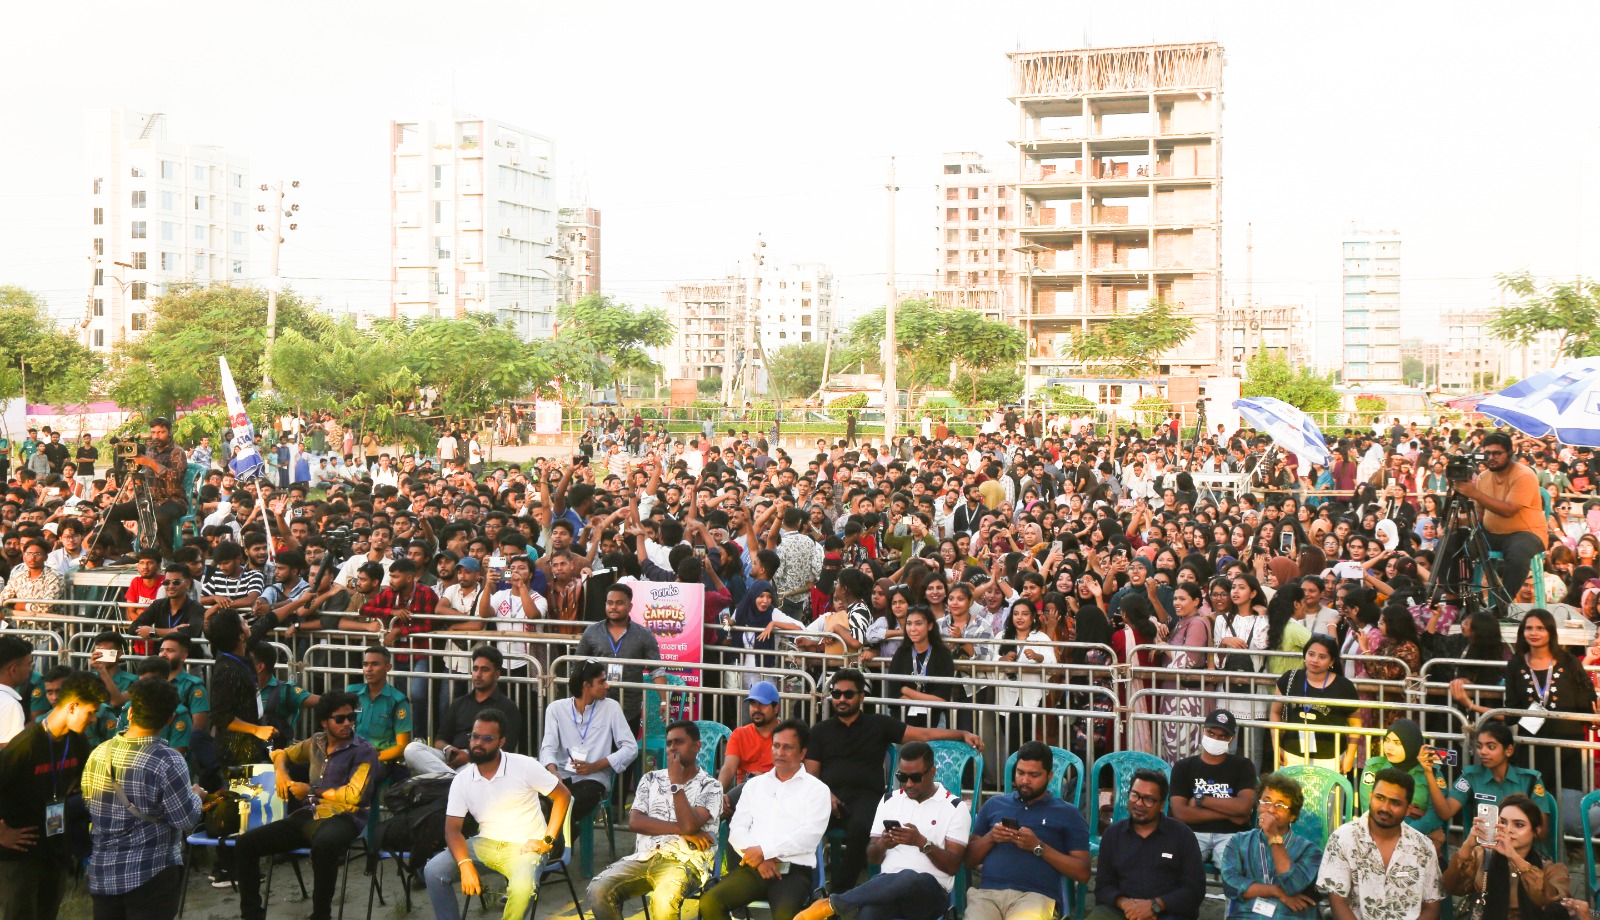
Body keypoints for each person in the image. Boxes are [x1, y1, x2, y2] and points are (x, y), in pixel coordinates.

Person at [805, 668, 983, 891]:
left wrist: (961, 734)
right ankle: (806, 891)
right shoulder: (820, 731)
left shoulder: (878, 724)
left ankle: (837, 896)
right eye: (836, 694)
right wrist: (826, 795)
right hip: (827, 797)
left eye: (848, 694)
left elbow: (924, 735)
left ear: (861, 697)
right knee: (802, 824)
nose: (841, 699)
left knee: (860, 829)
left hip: (865, 798)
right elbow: (811, 775)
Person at [235, 691, 379, 920]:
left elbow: (354, 796)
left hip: (345, 817)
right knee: (245, 844)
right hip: (310, 814)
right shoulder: (316, 742)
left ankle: (321, 915)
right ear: (324, 722)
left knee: (324, 845)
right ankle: (251, 915)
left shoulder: (364, 750)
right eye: (340, 719)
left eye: (351, 717)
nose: (347, 723)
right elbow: (281, 754)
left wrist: (311, 791)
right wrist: (281, 773)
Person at [793, 741, 972, 920]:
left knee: (907, 876)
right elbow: (873, 858)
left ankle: (834, 903)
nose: (908, 784)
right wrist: (883, 844)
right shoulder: (889, 800)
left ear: (932, 772)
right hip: (887, 889)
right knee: (868, 913)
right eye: (902, 777)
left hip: (929, 894)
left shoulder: (954, 807)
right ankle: (833, 904)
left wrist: (921, 842)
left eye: (916, 778)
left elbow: (953, 866)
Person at [425, 709, 572, 920]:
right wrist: (464, 864)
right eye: (475, 736)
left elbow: (563, 795)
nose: (478, 743)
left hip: (525, 846)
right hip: (484, 843)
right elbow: (452, 829)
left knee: (522, 888)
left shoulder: (524, 765)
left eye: (487, 738)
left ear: (501, 742)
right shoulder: (462, 779)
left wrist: (547, 841)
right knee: (433, 871)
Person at [81, 676, 202, 920]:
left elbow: (88, 803)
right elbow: (186, 820)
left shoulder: (99, 753)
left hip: (103, 874)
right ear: (170, 719)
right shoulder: (168, 759)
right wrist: (197, 796)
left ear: (130, 712)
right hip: (152, 874)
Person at [587, 720, 721, 920]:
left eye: (679, 742)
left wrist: (676, 783)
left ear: (696, 746)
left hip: (685, 863)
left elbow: (690, 824)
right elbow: (636, 822)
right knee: (598, 889)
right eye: (669, 743)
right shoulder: (650, 779)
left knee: (663, 900)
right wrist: (684, 831)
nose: (672, 748)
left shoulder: (711, 786)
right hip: (644, 857)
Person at [700, 719, 831, 920]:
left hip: (793, 872)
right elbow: (737, 828)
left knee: (786, 916)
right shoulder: (755, 785)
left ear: (802, 753)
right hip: (753, 868)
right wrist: (760, 859)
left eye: (788, 747)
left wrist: (765, 851)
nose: (780, 752)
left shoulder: (817, 790)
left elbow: (808, 837)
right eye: (776, 746)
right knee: (710, 901)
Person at [0, 671, 105, 920]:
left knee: (48, 910)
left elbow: (78, 782)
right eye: (90, 712)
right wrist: (1, 832)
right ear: (72, 706)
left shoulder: (78, 743)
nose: (93, 719)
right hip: (21, 847)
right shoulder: (25, 745)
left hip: (55, 842)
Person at [964, 741, 1091, 920]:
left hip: (1036, 896)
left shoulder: (1068, 813)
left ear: (1049, 776)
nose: (1024, 780)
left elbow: (1083, 873)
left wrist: (1038, 847)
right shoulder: (994, 804)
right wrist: (991, 837)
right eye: (1020, 773)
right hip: (988, 894)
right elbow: (968, 860)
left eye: (1033, 775)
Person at [1504, 608, 1597, 835]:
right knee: (1534, 817)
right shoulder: (1516, 664)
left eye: (1540, 628)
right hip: (1532, 749)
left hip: (1568, 749)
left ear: (1550, 632)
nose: (1534, 633)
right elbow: (1511, 710)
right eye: (1529, 628)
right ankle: (1548, 850)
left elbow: (1587, 701)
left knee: (1572, 821)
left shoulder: (1569, 662)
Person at [1317, 768, 1443, 920]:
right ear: (1371, 797)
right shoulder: (1343, 839)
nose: (1385, 808)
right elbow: (1338, 901)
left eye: (1395, 803)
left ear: (1408, 809)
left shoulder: (1423, 847)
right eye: (1380, 798)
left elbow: (1431, 905)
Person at [537, 659, 638, 846]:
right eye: (601, 681)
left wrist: (595, 766)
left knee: (564, 804)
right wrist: (553, 772)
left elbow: (630, 748)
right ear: (586, 686)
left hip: (593, 779)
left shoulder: (611, 707)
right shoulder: (556, 709)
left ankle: (553, 845)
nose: (607, 686)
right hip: (561, 775)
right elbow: (548, 747)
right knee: (534, 801)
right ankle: (561, 841)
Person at [1089, 768, 1206, 920]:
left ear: (1162, 805)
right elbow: (1103, 886)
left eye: (1148, 799)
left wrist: (1156, 905)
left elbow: (1195, 889)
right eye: (1134, 795)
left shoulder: (1182, 835)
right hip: (1123, 911)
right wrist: (1126, 904)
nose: (1139, 803)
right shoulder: (1113, 834)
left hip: (1168, 913)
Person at [1449, 430, 1545, 603]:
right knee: (1453, 540)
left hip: (1526, 534)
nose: (1491, 457)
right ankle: (1455, 599)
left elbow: (1509, 510)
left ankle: (1501, 605)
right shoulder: (1483, 477)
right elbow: (1479, 514)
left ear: (1509, 453)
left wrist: (1475, 493)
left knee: (1518, 553)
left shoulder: (1524, 475)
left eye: (1497, 453)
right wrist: (1457, 522)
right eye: (1487, 453)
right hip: (1491, 533)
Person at [1442, 792, 1569, 920]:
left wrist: (1514, 857)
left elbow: (1553, 902)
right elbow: (1451, 887)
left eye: (1519, 825)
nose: (1508, 830)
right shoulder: (1482, 855)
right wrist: (1467, 846)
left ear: (1537, 830)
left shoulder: (1552, 870)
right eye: (1502, 822)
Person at [405, 645, 526, 774]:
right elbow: (440, 740)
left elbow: (505, 751)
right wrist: (448, 749)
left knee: (474, 769)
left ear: (497, 674)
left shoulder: (507, 708)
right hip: (451, 758)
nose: (478, 675)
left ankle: (450, 779)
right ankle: (452, 779)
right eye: (475, 669)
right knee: (412, 749)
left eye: (485, 670)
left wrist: (469, 757)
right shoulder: (459, 703)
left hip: (480, 761)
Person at [1218, 772, 1322, 920]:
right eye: (1266, 802)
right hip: (1247, 915)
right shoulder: (1239, 841)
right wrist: (1276, 891)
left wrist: (1274, 837)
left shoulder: (1310, 851)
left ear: (1292, 816)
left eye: (1279, 805)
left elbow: (1294, 886)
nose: (1271, 809)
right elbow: (1230, 884)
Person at [1167, 709, 1258, 866]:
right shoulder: (1183, 767)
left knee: (1234, 869)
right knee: (1177, 865)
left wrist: (1201, 800)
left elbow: (1244, 807)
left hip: (1231, 835)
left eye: (1223, 736)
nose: (1216, 739)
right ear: (1203, 731)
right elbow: (1180, 813)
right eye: (1211, 733)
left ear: (1231, 739)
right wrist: (1229, 815)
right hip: (1192, 833)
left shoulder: (1243, 765)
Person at [573, 582, 667, 732]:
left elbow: (656, 669)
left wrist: (664, 700)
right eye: (610, 603)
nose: (613, 607)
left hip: (629, 708)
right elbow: (577, 666)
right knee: (596, 746)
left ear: (630, 606)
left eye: (619, 603)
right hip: (596, 704)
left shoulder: (644, 635)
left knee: (625, 746)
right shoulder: (592, 632)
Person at [1271, 635, 1362, 771]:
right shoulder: (1289, 678)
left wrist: (1349, 757)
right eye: (1311, 654)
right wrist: (1276, 745)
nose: (1315, 660)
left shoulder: (1344, 687)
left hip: (1330, 759)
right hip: (1291, 755)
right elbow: (1275, 712)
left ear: (1332, 661)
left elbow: (1355, 724)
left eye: (1322, 657)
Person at [1356, 719, 1443, 839]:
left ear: (1411, 744)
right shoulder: (1374, 768)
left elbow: (1436, 816)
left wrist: (1410, 834)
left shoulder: (1431, 771)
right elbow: (1370, 812)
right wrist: (1404, 834)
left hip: (1421, 839)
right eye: (1387, 740)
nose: (1389, 747)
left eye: (1397, 743)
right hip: (1381, 838)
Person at [344, 645, 412, 777]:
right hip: (350, 754)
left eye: (375, 664)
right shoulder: (352, 693)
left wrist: (372, 757)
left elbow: (402, 746)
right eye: (365, 664)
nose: (368, 669)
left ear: (387, 667)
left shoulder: (397, 701)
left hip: (381, 760)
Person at [719, 681, 780, 798]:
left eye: (763, 704)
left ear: (776, 708)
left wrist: (764, 780)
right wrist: (717, 795)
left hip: (776, 794)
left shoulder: (786, 736)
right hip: (743, 795)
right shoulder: (739, 734)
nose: (756, 709)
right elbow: (729, 768)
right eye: (753, 704)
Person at [0, 635, 32, 747]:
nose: (30, 669)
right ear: (13, 669)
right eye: (28, 664)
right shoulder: (10, 705)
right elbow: (10, 751)